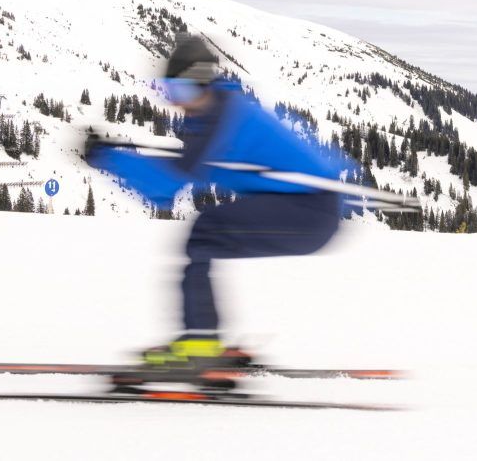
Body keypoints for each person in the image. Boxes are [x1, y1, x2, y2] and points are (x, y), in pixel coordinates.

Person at [85, 35, 347, 368]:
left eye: (181, 91)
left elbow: (166, 186)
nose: (176, 102)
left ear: (203, 83)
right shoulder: (219, 111)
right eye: (168, 91)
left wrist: (107, 158)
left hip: (309, 215)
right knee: (205, 235)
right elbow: (184, 167)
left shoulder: (224, 119)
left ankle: (201, 342)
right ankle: (203, 339)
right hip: (308, 210)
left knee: (205, 233)